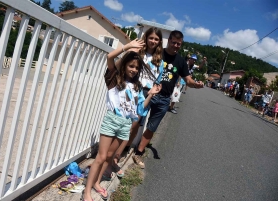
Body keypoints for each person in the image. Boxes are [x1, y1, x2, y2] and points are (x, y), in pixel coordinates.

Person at [82, 39, 161, 201]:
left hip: (125, 125)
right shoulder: (114, 79)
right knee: (101, 157)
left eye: (137, 68)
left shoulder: (137, 86)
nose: (133, 69)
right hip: (112, 120)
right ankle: (87, 192)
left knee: (110, 156)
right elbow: (110, 57)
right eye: (131, 66)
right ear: (124, 65)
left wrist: (151, 94)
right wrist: (127, 47)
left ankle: (97, 183)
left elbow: (140, 108)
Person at [132, 30, 204, 169]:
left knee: (152, 127)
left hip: (164, 99)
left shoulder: (181, 61)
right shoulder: (158, 53)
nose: (176, 45)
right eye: (174, 42)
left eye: (179, 44)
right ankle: (125, 148)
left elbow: (187, 80)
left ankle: (138, 152)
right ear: (169, 41)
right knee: (137, 121)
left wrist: (195, 85)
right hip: (149, 93)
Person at [109, 27, 164, 177]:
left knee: (132, 128)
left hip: (145, 93)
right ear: (146, 38)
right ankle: (108, 157)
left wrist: (153, 92)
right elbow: (120, 64)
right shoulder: (137, 52)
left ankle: (115, 158)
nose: (153, 41)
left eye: (156, 39)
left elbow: (157, 81)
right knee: (120, 124)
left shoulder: (160, 62)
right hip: (130, 89)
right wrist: (129, 48)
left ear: (159, 42)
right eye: (151, 38)